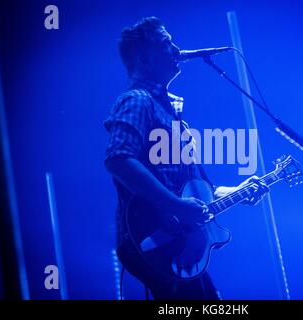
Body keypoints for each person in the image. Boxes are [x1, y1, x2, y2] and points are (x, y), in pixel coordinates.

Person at [104, 16, 269, 300]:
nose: (177, 49)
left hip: (178, 239)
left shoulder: (167, 110)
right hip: (153, 237)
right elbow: (118, 159)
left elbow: (189, 188)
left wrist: (234, 192)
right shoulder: (137, 100)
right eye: (166, 43)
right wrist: (177, 206)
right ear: (144, 58)